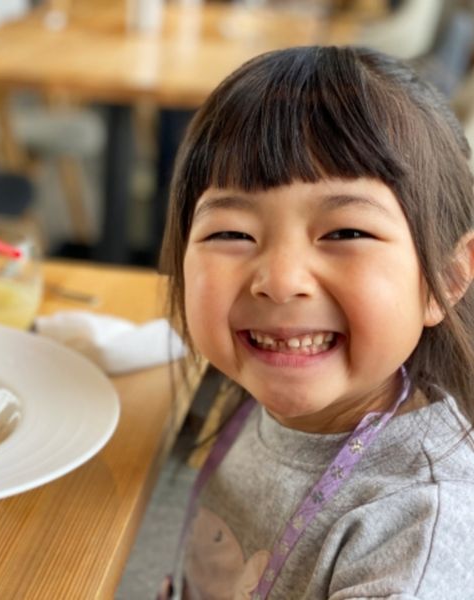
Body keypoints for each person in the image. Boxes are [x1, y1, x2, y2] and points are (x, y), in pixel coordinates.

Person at [159, 45, 474, 599]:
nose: (279, 281)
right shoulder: (269, 387)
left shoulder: (418, 528)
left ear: (444, 281)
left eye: (345, 233)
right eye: (231, 233)